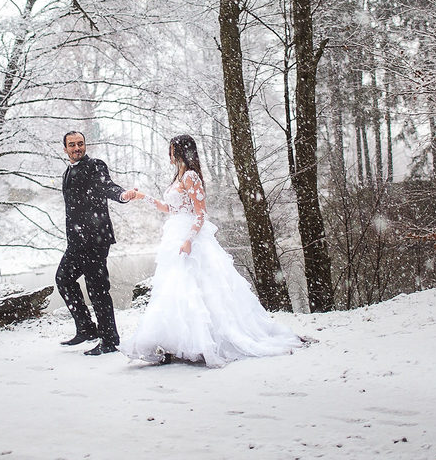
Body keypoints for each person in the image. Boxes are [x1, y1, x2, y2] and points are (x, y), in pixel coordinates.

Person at [121, 135, 303, 367]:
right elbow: (170, 207)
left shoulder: (190, 176)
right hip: (174, 234)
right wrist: (142, 197)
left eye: (172, 150)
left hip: (191, 239)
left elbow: (200, 214)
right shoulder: (177, 177)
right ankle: (179, 341)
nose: (169, 155)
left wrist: (189, 240)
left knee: (200, 289)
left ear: (181, 152)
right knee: (175, 290)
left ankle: (207, 341)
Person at [57, 131, 137, 356]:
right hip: (76, 241)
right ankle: (86, 328)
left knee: (97, 289)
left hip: (95, 239)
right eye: (71, 145)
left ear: (85, 145)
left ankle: (110, 340)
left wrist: (122, 195)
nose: (77, 148)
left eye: (80, 144)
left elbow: (108, 186)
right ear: (65, 149)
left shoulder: (95, 166)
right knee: (63, 280)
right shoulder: (67, 172)